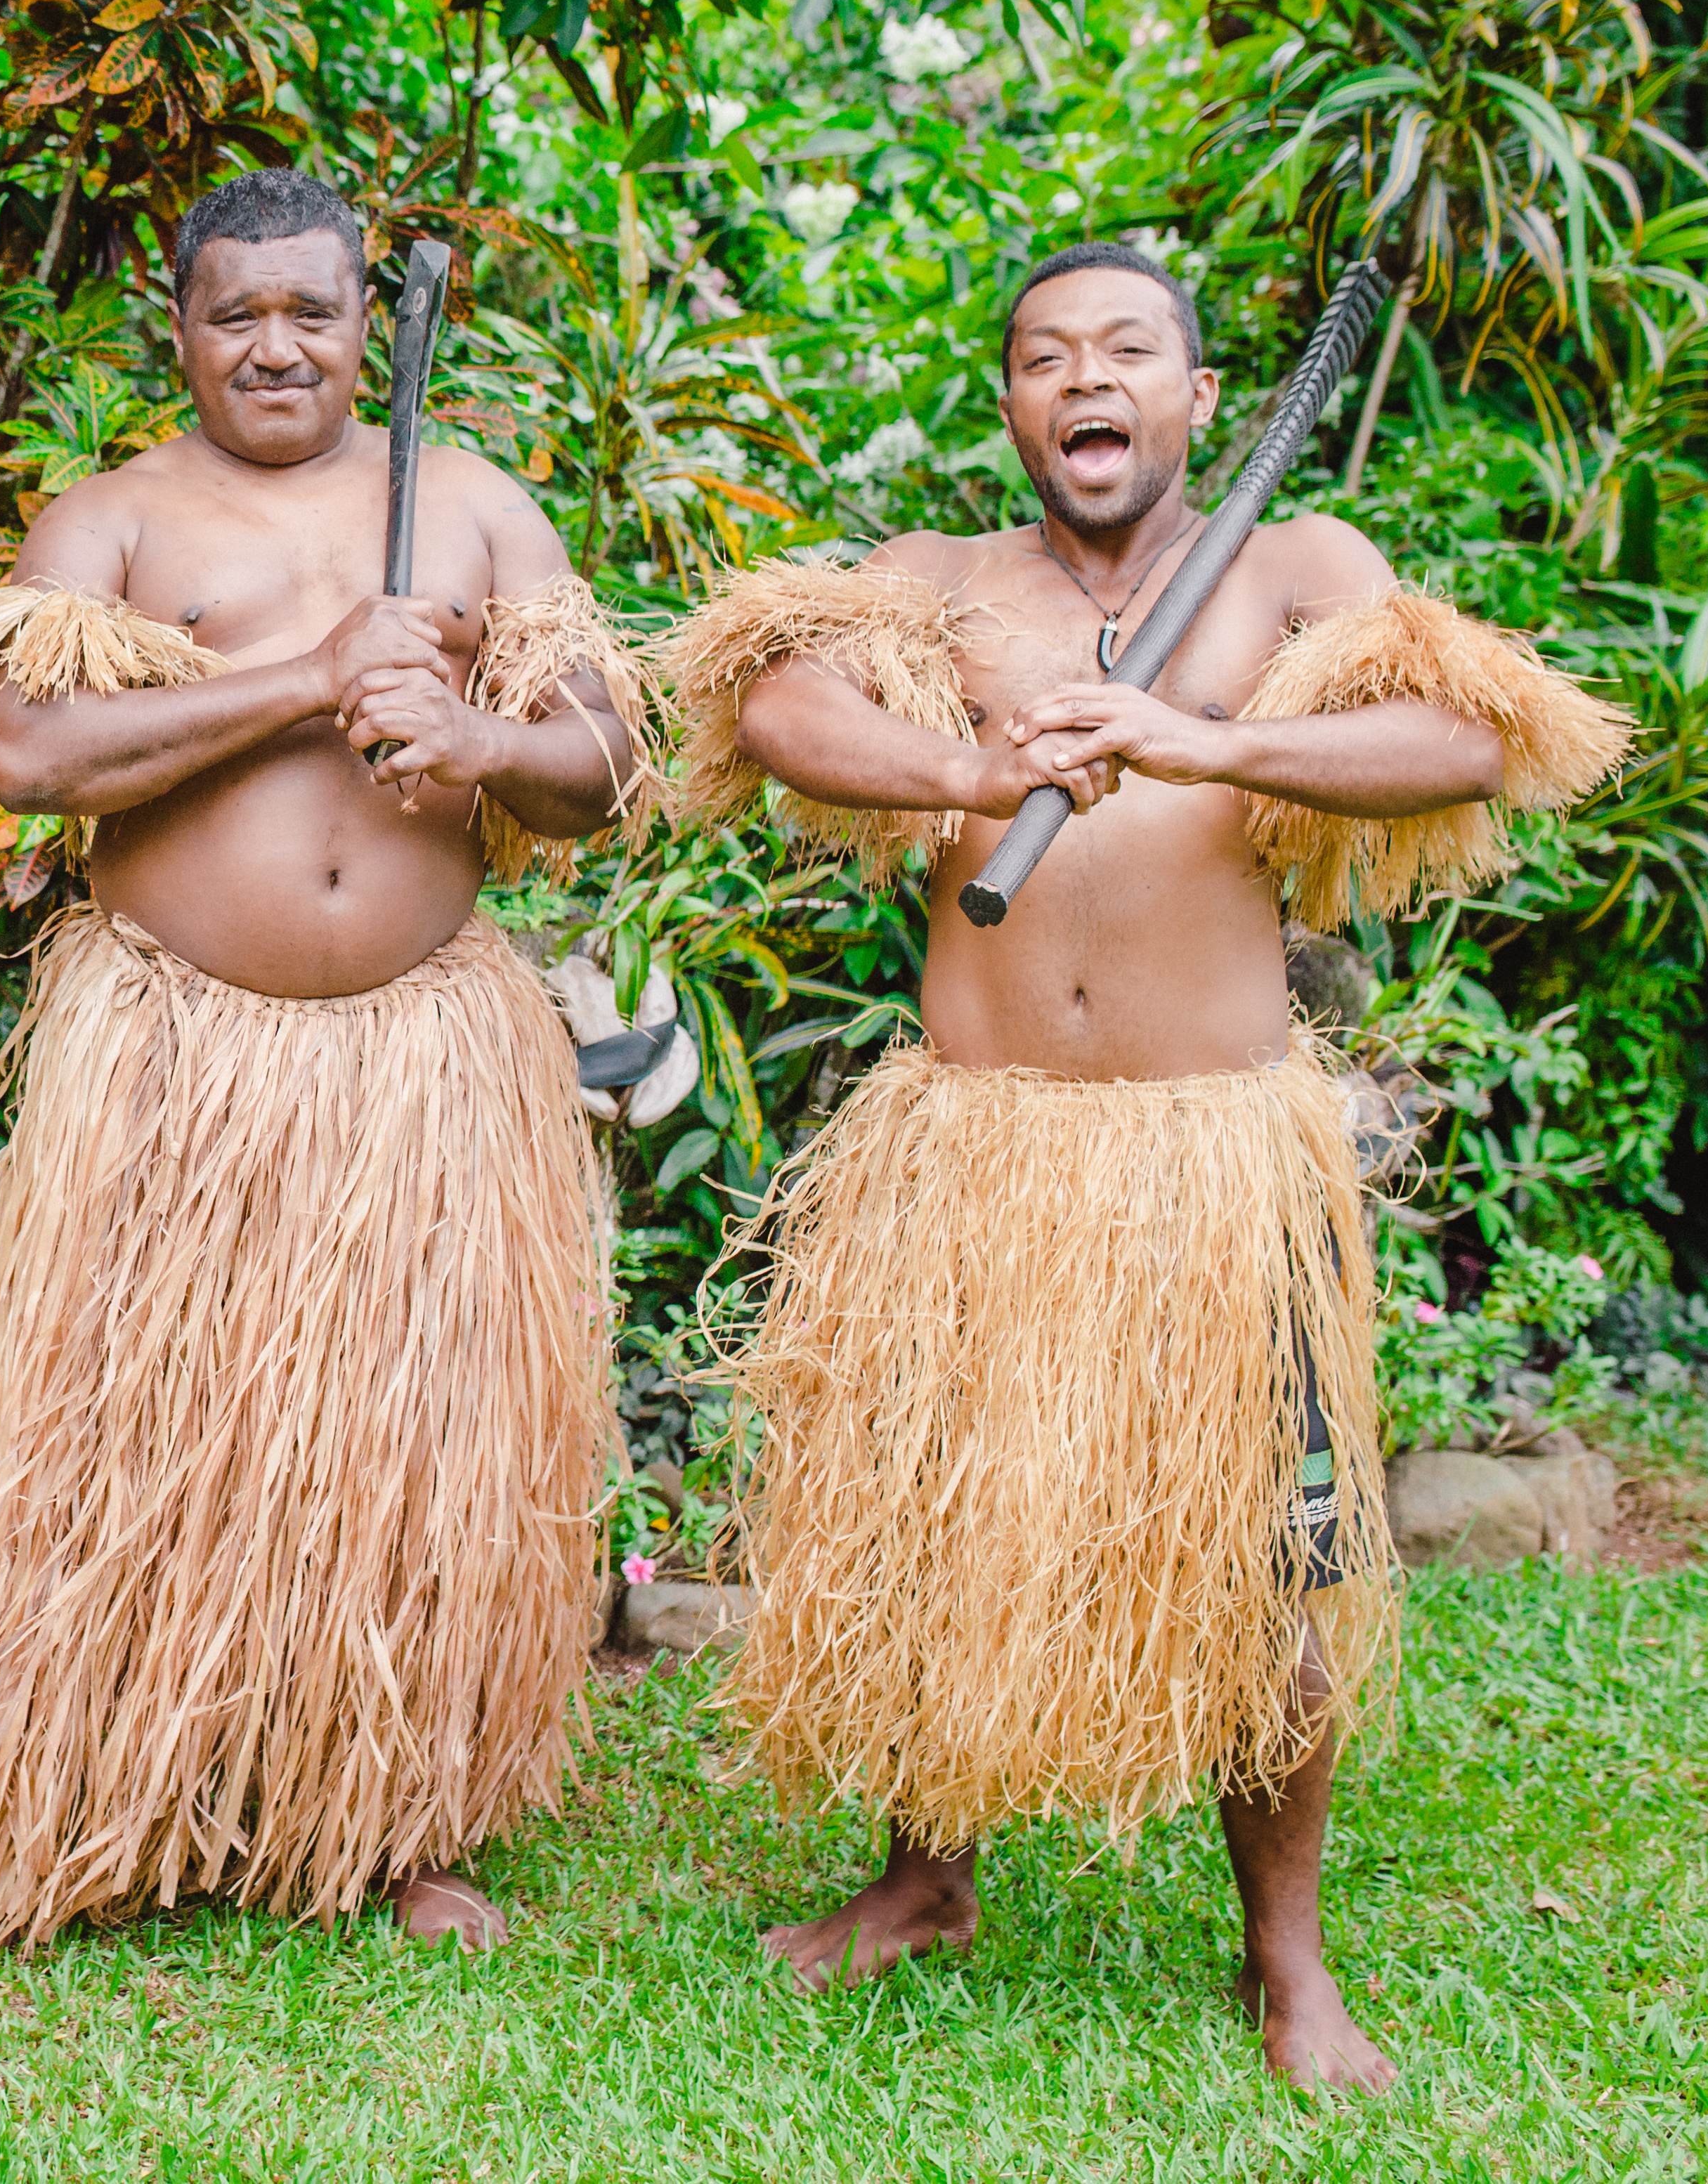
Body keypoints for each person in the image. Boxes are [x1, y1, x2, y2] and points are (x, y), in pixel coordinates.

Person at [665, 240, 1631, 2091]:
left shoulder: (1293, 572)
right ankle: (919, 1875)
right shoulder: (940, 590)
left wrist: (1205, 733)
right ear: (1015, 405)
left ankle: (1288, 1958)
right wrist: (962, 767)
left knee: (1272, 1554)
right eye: (1043, 357)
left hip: (1211, 1157)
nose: (1081, 378)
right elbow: (775, 705)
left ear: (1196, 397)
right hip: (974, 1143)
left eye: (1124, 351)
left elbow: (1464, 733)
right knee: (931, 1525)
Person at [0, 167, 641, 1977]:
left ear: (368, 315)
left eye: (313, 310)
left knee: (404, 1459)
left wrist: (473, 732)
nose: (277, 345)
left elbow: (603, 759)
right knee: (106, 1453)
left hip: (418, 1063)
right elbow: (31, 747)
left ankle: (396, 1818)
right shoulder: (118, 522)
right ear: (182, 326)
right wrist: (306, 680)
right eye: (239, 314)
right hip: (173, 1056)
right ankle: (38, 1827)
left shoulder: (469, 512)